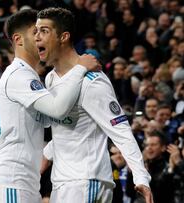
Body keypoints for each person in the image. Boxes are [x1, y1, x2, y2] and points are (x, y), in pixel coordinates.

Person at [35, 7, 153, 203]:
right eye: (36, 31)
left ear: (63, 37)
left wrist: (141, 176)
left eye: (44, 31)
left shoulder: (92, 81)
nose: (36, 37)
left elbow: (120, 129)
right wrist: (45, 158)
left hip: (86, 181)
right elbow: (69, 127)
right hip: (64, 182)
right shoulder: (51, 78)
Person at [0, 9, 100, 203]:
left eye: (43, 32)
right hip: (12, 181)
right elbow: (57, 109)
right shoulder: (18, 76)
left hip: (25, 181)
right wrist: (80, 67)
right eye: (35, 32)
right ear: (18, 40)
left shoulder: (30, 76)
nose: (40, 38)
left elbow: (54, 119)